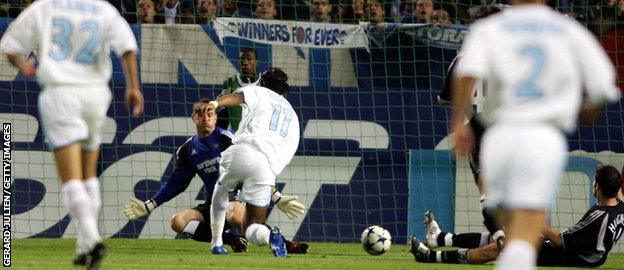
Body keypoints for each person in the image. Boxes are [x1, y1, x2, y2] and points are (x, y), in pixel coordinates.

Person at [451, 0, 621, 268]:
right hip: (542, 137)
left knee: (511, 229)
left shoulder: (489, 28)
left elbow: (466, 73)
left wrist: (458, 124)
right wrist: (586, 110)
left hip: (498, 136)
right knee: (525, 233)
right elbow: (604, 85)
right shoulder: (566, 29)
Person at [0, 0, 144, 268]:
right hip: (96, 94)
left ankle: (93, 236)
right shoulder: (103, 8)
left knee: (71, 178)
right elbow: (127, 46)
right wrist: (134, 86)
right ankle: (84, 246)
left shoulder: (45, 7)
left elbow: (9, 48)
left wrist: (25, 66)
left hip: (61, 92)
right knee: (89, 174)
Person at [122, 99, 309, 254]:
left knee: (235, 213)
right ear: (193, 117)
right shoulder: (187, 150)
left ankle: (284, 243)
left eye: (210, 113)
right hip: (214, 203)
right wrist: (150, 205)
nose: (206, 118)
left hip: (239, 200)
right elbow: (177, 183)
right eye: (201, 113)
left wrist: (276, 197)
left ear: (216, 117)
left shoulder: (228, 140)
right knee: (177, 221)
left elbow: (255, 168)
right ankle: (230, 239)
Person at [411, 165, 624, 268]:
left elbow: (561, 240)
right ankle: (439, 238)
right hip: (588, 252)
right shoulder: (619, 205)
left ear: (597, 187)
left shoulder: (599, 216)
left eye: (596, 180)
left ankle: (430, 256)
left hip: (575, 255)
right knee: (506, 235)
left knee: (501, 246)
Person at [208, 67, 300, 257]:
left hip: (244, 151)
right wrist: (272, 183)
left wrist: (215, 103)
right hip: (266, 167)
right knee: (252, 226)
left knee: (221, 190)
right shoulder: (292, 115)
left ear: (263, 82)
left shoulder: (258, 90)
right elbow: (289, 149)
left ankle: (216, 243)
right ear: (283, 89)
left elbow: (236, 97)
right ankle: (269, 237)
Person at [217, 47, 260, 132]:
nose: (245, 62)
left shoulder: (264, 83)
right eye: (242, 59)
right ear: (238, 62)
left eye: (249, 59)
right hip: (237, 137)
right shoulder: (230, 83)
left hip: (259, 136)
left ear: (256, 62)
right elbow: (223, 114)